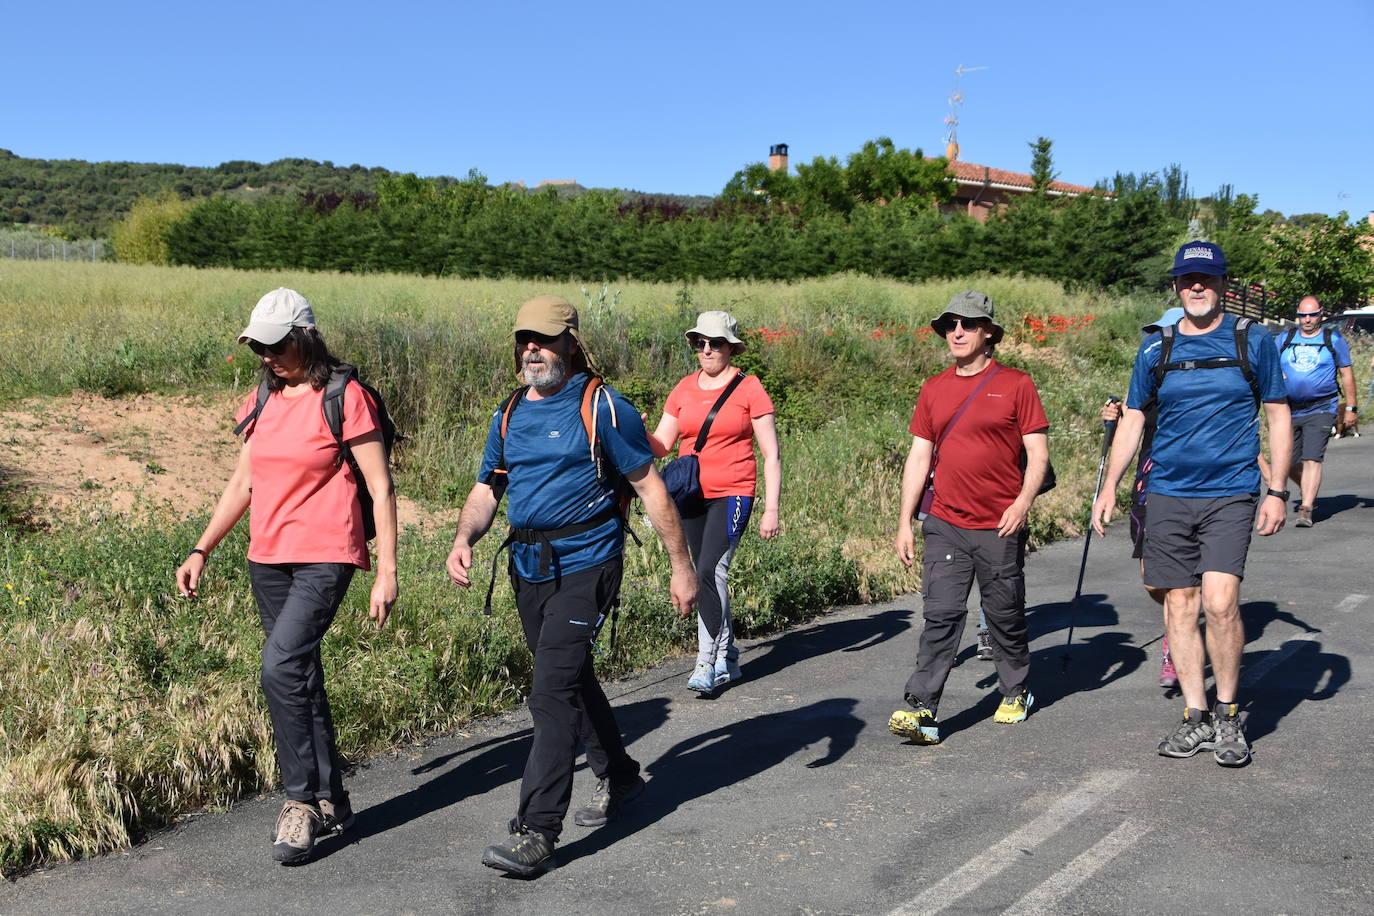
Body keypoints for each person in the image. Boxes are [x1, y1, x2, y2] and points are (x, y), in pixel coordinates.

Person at [446, 295, 698, 878]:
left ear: (571, 342)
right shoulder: (508, 413)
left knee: (550, 691)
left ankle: (537, 829)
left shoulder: (603, 407)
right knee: (571, 679)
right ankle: (624, 777)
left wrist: (680, 566)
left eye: (545, 338)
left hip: (590, 562)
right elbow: (488, 490)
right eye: (524, 340)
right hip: (528, 567)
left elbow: (650, 488)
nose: (532, 348)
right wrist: (464, 540)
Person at [174, 288, 398, 864]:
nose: (267, 355)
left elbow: (379, 486)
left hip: (328, 552)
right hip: (267, 556)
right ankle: (332, 798)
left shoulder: (344, 398)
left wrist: (387, 570)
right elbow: (243, 484)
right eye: (258, 346)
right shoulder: (261, 399)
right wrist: (202, 547)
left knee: (279, 666)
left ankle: (299, 803)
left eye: (276, 344)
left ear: (306, 337)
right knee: (299, 674)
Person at [1092, 240, 1290, 768]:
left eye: (1205, 278)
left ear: (1224, 285)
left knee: (1221, 603)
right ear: (1176, 287)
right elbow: (1134, 418)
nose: (1196, 287)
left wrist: (1277, 491)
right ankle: (1195, 716)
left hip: (1230, 490)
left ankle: (1228, 716)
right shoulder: (1157, 347)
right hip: (1168, 492)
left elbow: (1276, 413)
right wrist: (1109, 486)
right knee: (1178, 604)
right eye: (1186, 280)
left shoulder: (1252, 340)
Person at [890, 291, 1050, 745]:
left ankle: (1016, 690)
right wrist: (905, 520)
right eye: (950, 325)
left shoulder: (1017, 384)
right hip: (944, 521)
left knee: (1004, 615)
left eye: (967, 324)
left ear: (988, 333)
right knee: (940, 614)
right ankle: (922, 708)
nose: (956, 332)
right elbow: (918, 458)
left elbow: (1037, 454)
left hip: (1000, 523)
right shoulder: (934, 388)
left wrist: (1022, 504)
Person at [646, 310, 782, 696]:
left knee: (709, 570)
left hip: (735, 491)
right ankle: (731, 654)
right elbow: (663, 445)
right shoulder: (683, 389)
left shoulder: (750, 388)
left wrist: (770, 508)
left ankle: (709, 661)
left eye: (715, 343)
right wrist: (637, 431)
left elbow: (770, 454)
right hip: (690, 495)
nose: (707, 349)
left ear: (731, 347)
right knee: (702, 572)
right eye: (699, 343)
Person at [1101, 306, 1185, 690]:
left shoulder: (1192, 387)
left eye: (1164, 333)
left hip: (1188, 487)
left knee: (1177, 581)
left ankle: (1175, 643)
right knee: (1153, 581)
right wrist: (1114, 420)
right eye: (1154, 333)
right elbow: (1133, 432)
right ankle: (1180, 612)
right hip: (1148, 485)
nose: (1157, 340)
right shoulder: (1145, 381)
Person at [1277, 296, 1357, 526]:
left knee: (1312, 457)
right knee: (1287, 462)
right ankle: (1308, 488)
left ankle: (1306, 508)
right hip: (1288, 408)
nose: (1307, 320)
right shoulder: (1285, 338)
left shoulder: (1333, 339)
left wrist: (1351, 407)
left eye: (1312, 315)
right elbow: (1269, 365)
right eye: (1303, 315)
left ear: (1321, 314)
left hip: (1322, 406)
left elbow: (1347, 374)